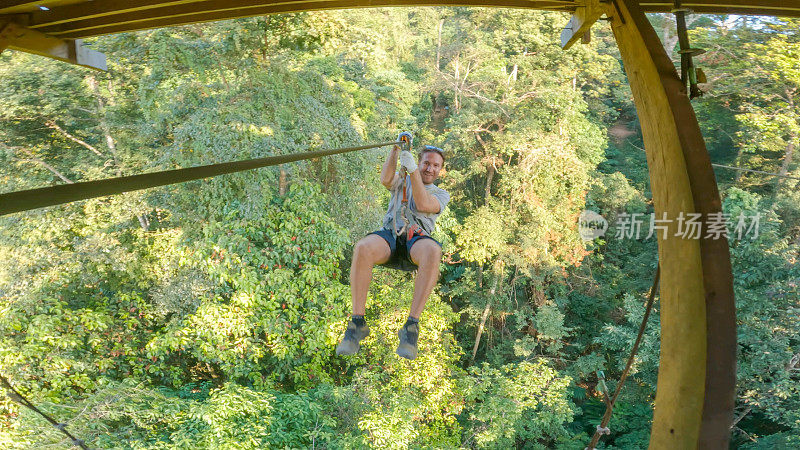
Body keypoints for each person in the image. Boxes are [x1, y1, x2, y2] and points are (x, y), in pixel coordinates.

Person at [336, 135, 450, 360]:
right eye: (426, 163)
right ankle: (357, 322)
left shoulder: (441, 194)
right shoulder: (403, 180)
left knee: (434, 251)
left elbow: (423, 203)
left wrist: (413, 171)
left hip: (415, 241)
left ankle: (411, 327)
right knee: (363, 247)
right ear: (419, 161)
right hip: (390, 234)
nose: (430, 168)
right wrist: (396, 150)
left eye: (435, 165)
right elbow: (386, 179)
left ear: (440, 171)